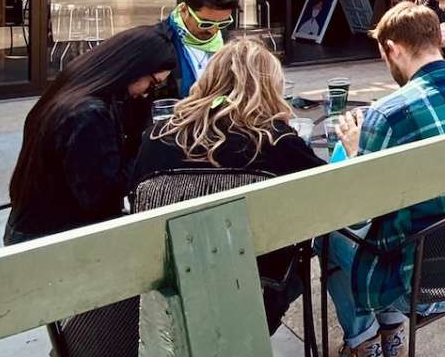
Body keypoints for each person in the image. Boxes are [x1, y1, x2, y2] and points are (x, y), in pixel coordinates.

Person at [320, 2, 445, 357]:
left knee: (329, 234)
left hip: (431, 281)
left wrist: (357, 151)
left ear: (392, 48)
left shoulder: (387, 113)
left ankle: (364, 346)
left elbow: (360, 211)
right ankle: (391, 336)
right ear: (436, 40)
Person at [133, 37, 323, 332]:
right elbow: (329, 197)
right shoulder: (277, 140)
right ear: (269, 85)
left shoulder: (157, 136)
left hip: (172, 282)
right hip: (258, 285)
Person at [6, 26, 175, 244]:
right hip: (54, 238)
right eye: (152, 83)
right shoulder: (89, 114)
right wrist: (150, 142)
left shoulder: (77, 82)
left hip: (38, 224)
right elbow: (102, 194)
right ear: (133, 68)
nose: (147, 92)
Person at [166, 0, 240, 94]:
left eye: (222, 23)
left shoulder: (229, 41)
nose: (213, 30)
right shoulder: (162, 42)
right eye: (205, 24)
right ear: (185, 10)